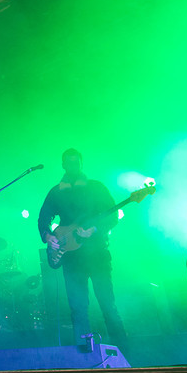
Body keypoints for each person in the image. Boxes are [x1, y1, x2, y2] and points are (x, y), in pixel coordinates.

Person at [37, 148, 127, 354]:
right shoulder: (56, 191)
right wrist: (48, 236)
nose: (73, 166)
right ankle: (85, 359)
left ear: (81, 163)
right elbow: (43, 218)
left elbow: (113, 216)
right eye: (69, 162)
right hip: (71, 258)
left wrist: (94, 229)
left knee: (108, 306)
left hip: (97, 255)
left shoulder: (96, 187)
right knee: (78, 311)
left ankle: (123, 356)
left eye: (76, 162)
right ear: (63, 165)